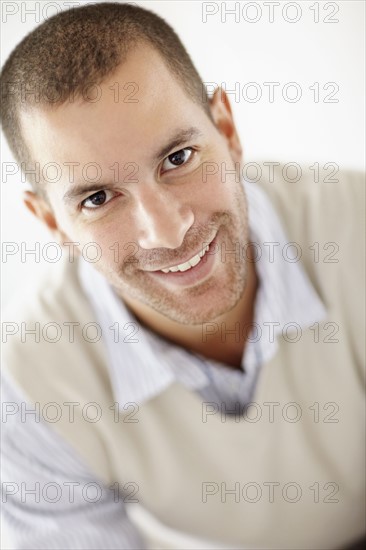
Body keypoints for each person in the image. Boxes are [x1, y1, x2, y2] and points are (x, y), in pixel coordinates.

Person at [1, 2, 364, 549]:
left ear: (227, 130)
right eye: (99, 198)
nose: (167, 231)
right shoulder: (31, 391)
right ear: (53, 222)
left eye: (178, 158)